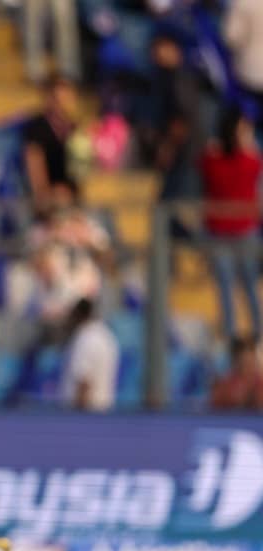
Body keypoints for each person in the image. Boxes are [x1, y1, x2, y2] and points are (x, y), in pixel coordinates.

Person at [201, 107, 262, 341]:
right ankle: (234, 338)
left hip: (239, 230)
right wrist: (248, 147)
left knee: (243, 284)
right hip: (226, 231)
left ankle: (252, 334)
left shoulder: (214, 159)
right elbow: (248, 171)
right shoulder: (240, 160)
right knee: (231, 285)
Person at [140, 30, 201, 200]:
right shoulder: (163, 78)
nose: (158, 53)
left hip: (183, 158)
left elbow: (180, 119)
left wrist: (168, 147)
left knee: (175, 210)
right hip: (180, 159)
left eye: (163, 47)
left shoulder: (178, 79)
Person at [22, 75, 80, 217]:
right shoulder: (38, 127)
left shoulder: (74, 129)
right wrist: (44, 193)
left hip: (70, 196)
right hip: (49, 199)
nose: (62, 103)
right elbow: (34, 161)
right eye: (58, 99)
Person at [60, 298, 119, 412]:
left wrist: (79, 415)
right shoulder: (107, 336)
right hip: (104, 410)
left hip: (86, 413)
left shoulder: (85, 339)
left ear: (78, 315)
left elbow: (84, 380)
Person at [224, 0, 263, 115]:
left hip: (251, 73)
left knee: (250, 118)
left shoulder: (243, 2)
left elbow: (232, 37)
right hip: (253, 73)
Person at [211, 336, 263, 411]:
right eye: (243, 359)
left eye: (251, 355)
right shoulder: (226, 383)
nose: (248, 361)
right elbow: (215, 402)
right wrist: (234, 399)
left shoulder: (259, 382)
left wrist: (254, 398)